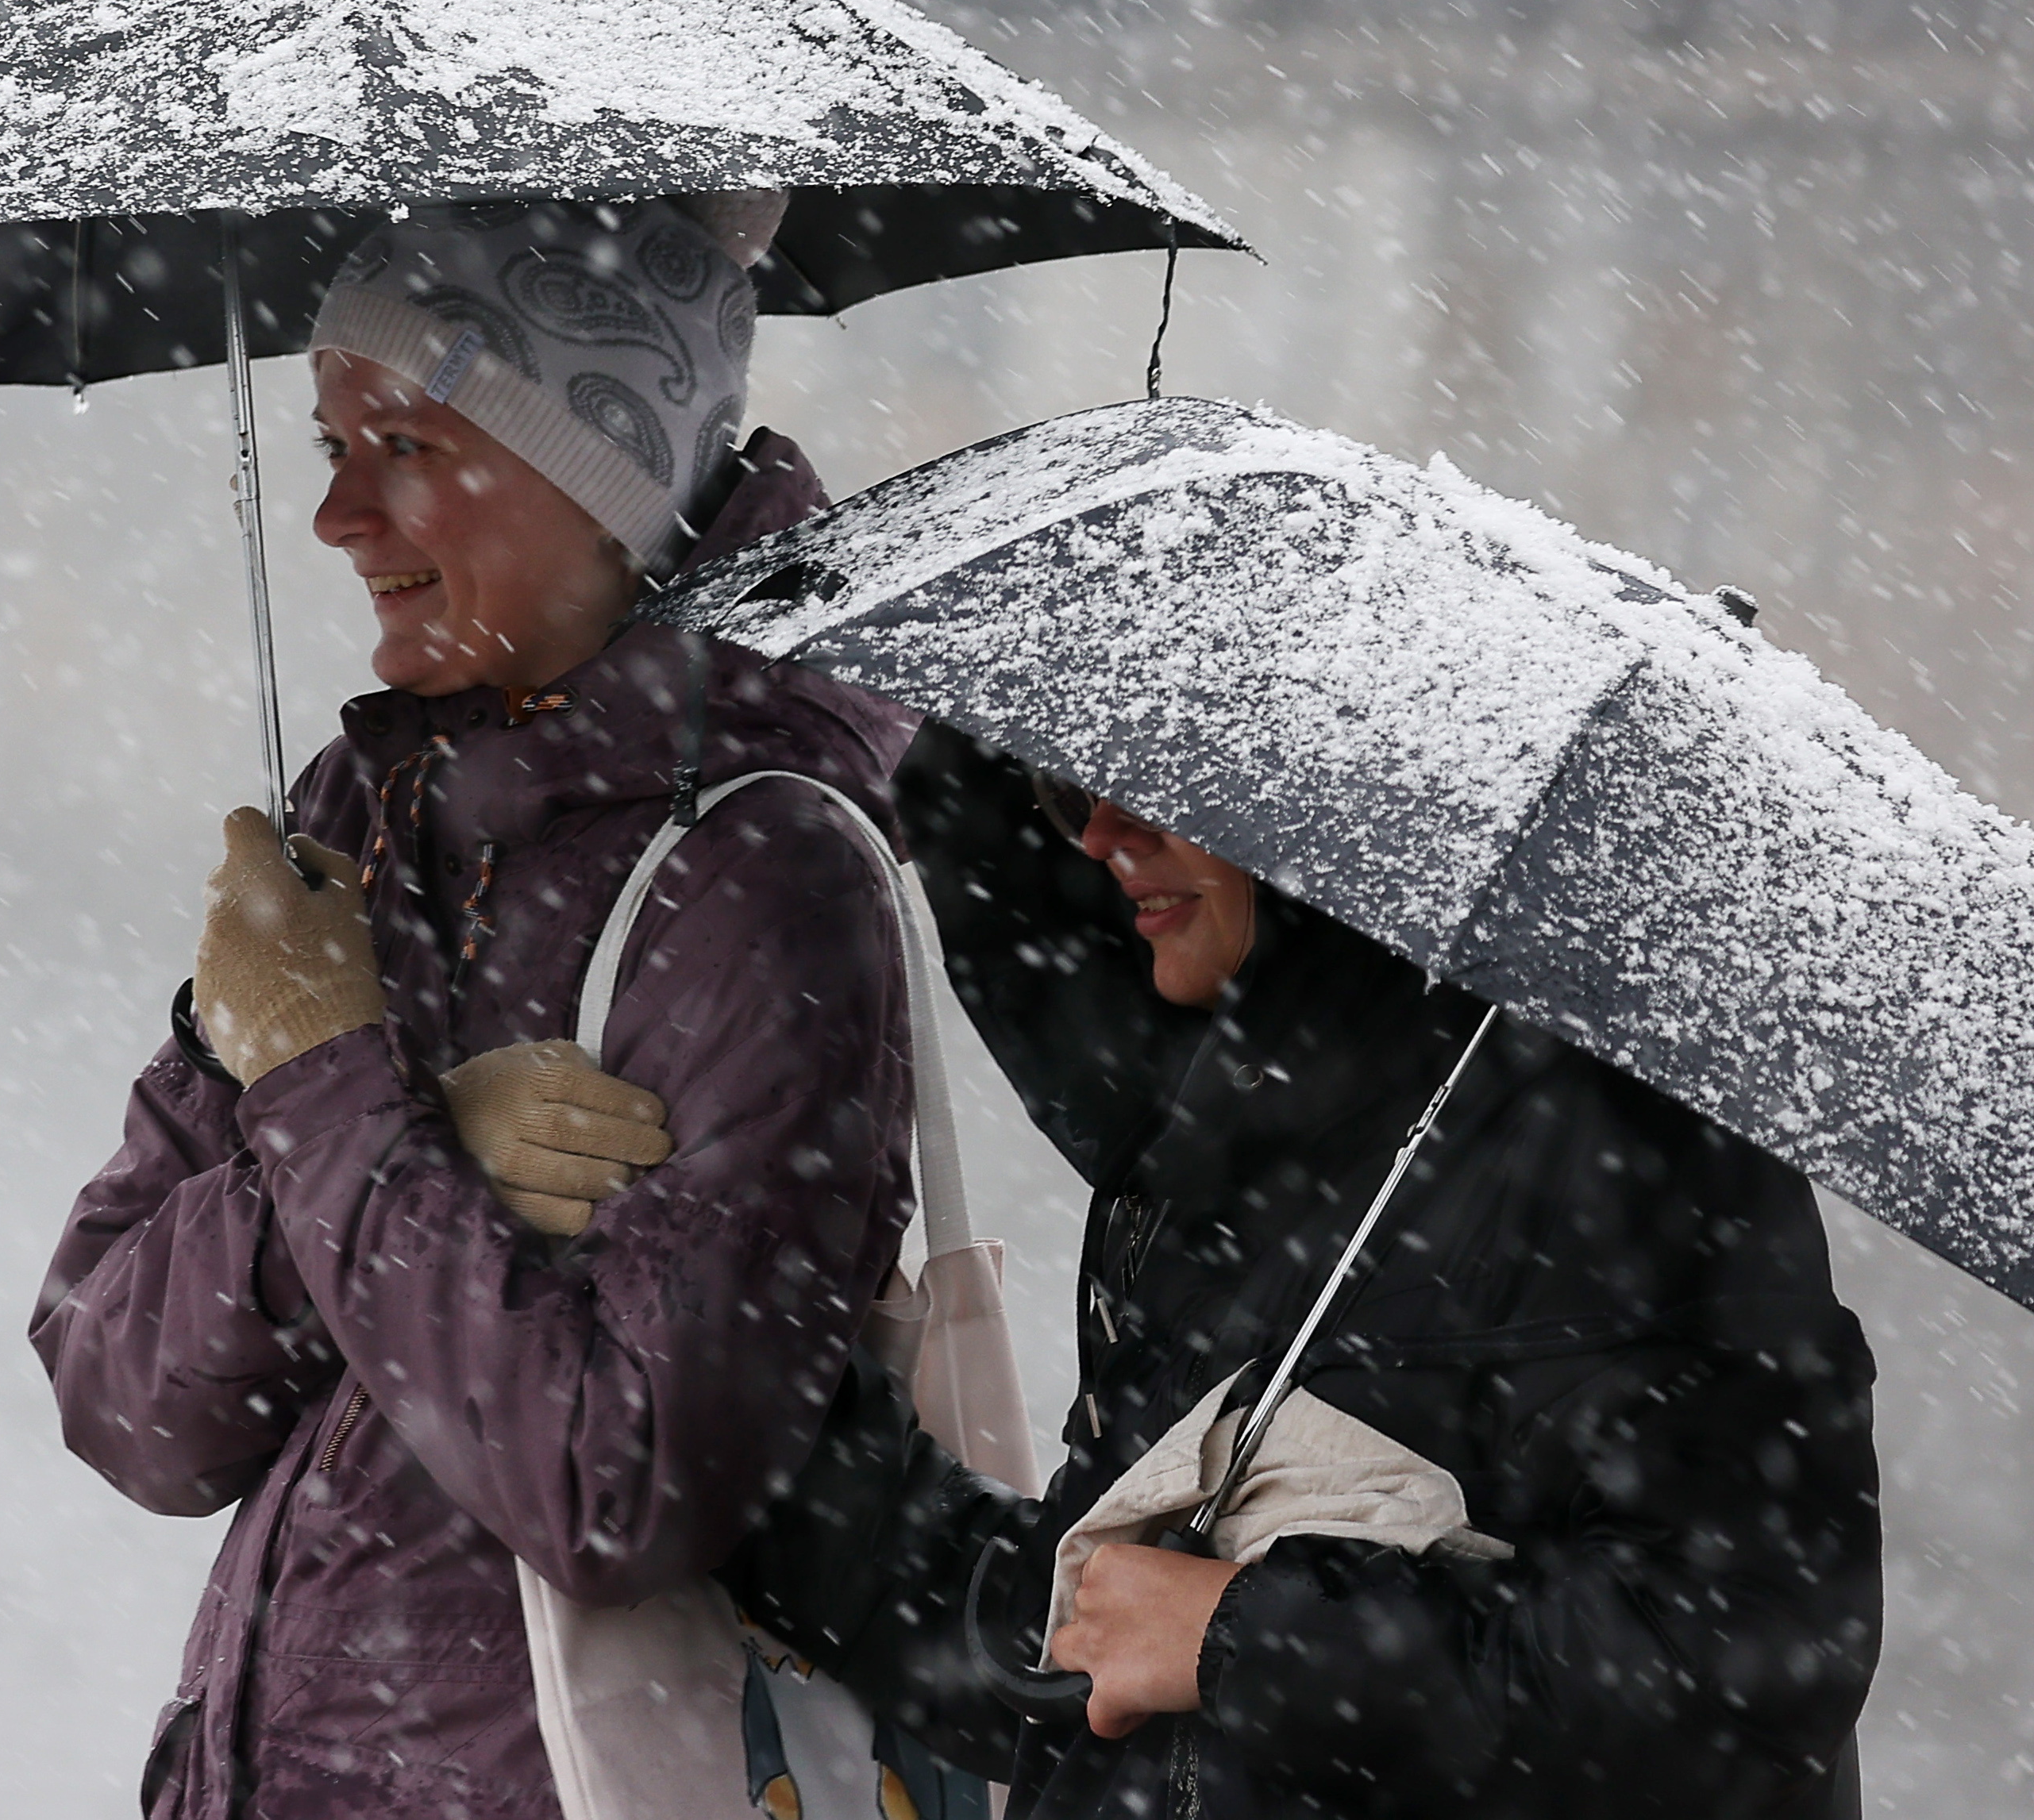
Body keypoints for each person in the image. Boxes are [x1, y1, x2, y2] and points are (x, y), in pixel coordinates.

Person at [30, 196, 927, 1820]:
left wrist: (325, 1086)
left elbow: (620, 1486)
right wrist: (402, 1135)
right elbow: (116, 1392)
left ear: (609, 488)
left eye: (411, 444)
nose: (336, 517)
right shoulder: (355, 820)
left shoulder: (761, 879)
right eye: (326, 443)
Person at [699, 727, 1886, 1818]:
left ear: (1351, 805)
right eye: (1071, 786)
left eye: (1164, 782)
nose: (1104, 832)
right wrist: (711, 1401)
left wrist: (1241, 1640)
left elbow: (1738, 1673)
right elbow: (1086, 1652)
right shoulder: (1220, 1162)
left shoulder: (1618, 1154)